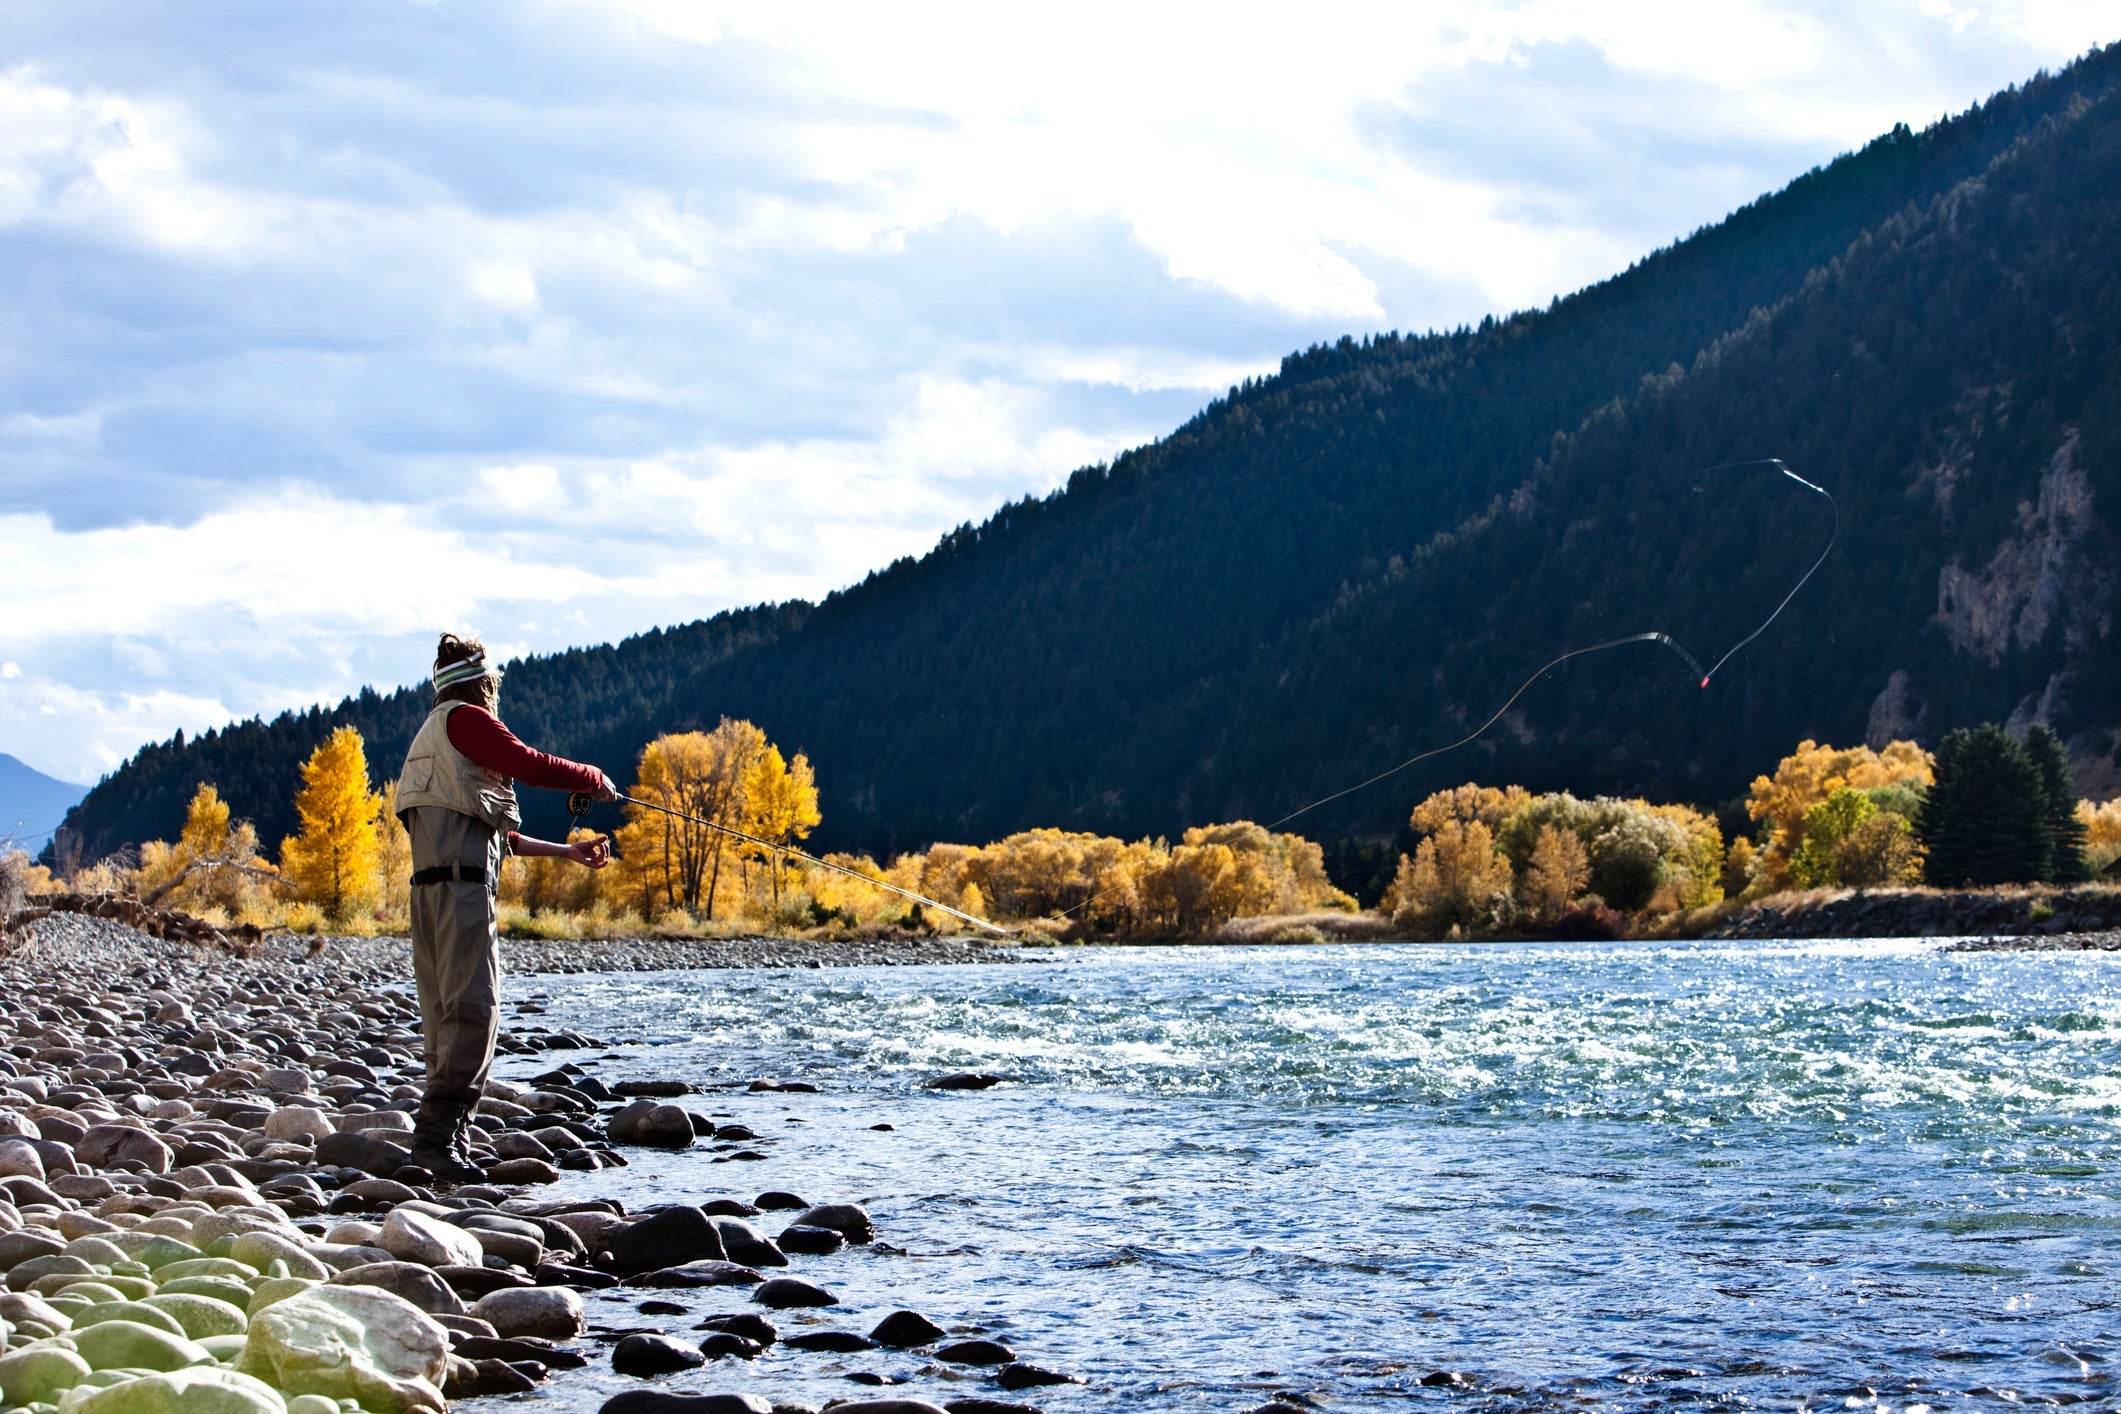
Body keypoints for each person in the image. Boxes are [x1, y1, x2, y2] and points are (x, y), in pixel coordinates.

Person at [394, 632, 615, 1181]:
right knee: (476, 1014)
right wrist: (593, 778)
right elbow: (529, 763)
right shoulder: (466, 720)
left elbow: (495, 836)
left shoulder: (434, 738)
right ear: (481, 682)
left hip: (431, 894)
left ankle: (442, 1146)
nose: (495, 692)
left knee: (447, 1019)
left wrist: (566, 851)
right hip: (462, 895)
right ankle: (438, 1145)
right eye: (493, 683)